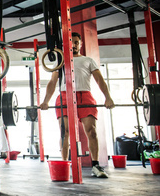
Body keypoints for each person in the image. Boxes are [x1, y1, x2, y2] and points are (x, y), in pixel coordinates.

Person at [41, 32, 115, 178]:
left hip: (85, 96)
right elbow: (52, 82)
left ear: (80, 44)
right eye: (71, 42)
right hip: (64, 97)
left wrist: (108, 98)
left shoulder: (88, 60)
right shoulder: (60, 61)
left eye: (76, 42)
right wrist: (45, 101)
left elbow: (100, 80)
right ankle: (64, 165)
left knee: (91, 131)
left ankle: (95, 165)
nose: (73, 45)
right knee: (65, 132)